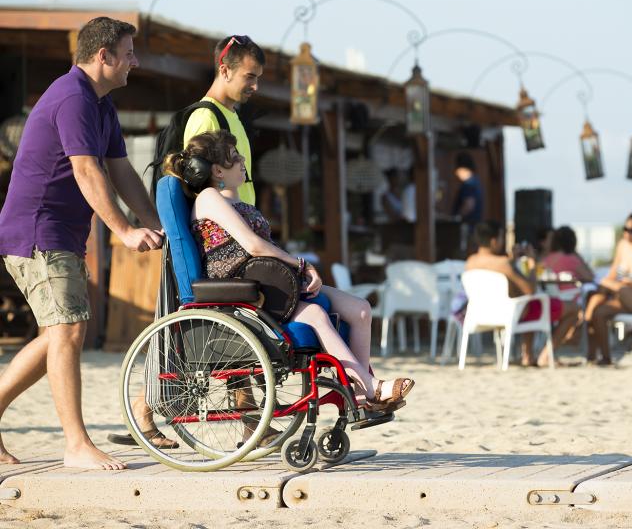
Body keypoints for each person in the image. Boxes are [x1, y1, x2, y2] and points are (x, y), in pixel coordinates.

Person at [0, 17, 165, 470]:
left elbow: (122, 171)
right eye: (129, 53)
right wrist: (124, 232)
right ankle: (75, 444)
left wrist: (152, 222)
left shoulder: (101, 104)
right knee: (69, 330)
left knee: (60, 332)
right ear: (103, 56)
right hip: (39, 230)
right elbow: (86, 170)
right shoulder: (73, 97)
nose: (135, 61)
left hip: (58, 232)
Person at [165, 130, 414, 410]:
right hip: (243, 288)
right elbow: (253, 245)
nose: (243, 160)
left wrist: (299, 269)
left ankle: (358, 394)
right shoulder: (210, 197)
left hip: (271, 281)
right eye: (235, 158)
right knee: (317, 315)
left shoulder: (239, 202)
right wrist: (301, 264)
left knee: (360, 309)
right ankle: (369, 388)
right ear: (219, 169)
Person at [464, 221, 579, 367]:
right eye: (501, 238)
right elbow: (529, 290)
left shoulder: (470, 262)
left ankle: (528, 355)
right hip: (511, 313)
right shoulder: (503, 263)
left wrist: (512, 259)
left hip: (482, 313)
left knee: (528, 304)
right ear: (494, 241)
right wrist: (531, 264)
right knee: (573, 308)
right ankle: (545, 356)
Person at [183, 35, 265, 206]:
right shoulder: (206, 117)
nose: (255, 86)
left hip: (240, 227)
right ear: (225, 71)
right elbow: (197, 192)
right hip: (226, 231)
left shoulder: (232, 115)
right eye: (249, 76)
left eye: (257, 78)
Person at [585, 212, 632, 365]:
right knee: (597, 308)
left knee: (595, 301)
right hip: (616, 294)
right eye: (625, 229)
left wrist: (622, 284)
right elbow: (613, 273)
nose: (628, 234)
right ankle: (603, 357)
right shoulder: (622, 246)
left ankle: (585, 321)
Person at [452, 152, 484, 254]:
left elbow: (469, 205)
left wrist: (457, 217)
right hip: (475, 226)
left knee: (464, 252)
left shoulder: (468, 184)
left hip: (467, 226)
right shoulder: (476, 181)